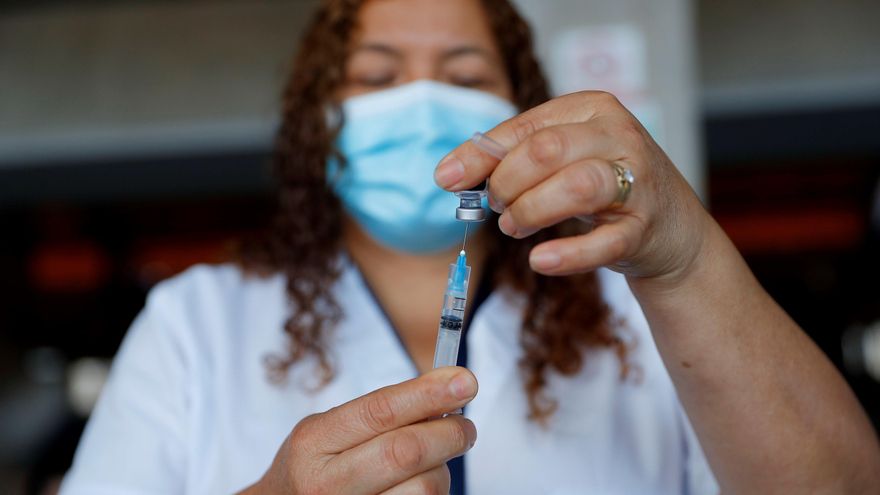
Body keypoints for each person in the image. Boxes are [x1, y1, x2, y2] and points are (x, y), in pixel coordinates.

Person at [59, 0, 880, 494]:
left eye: (459, 72)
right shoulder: (197, 324)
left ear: (523, 110)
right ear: (318, 122)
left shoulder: (636, 307)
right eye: (376, 77)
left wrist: (689, 260)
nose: (418, 100)